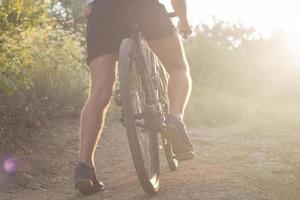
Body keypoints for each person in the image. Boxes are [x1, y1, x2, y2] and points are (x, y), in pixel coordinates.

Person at [75, 0, 194, 195]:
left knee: (99, 91)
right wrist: (184, 20)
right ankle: (175, 121)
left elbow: (88, 8)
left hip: (103, 11)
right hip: (145, 7)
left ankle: (84, 167)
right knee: (178, 68)